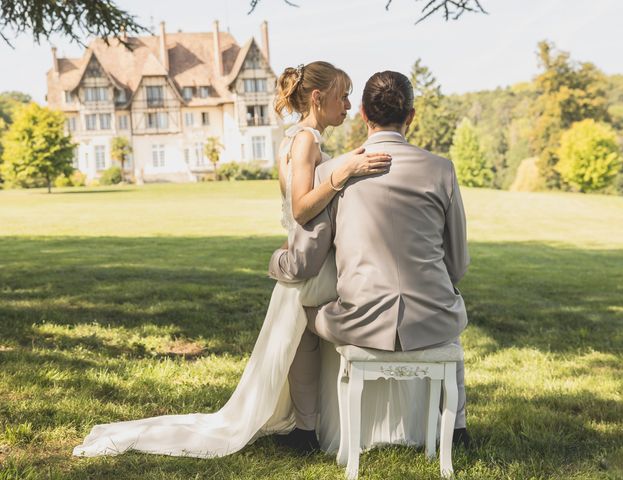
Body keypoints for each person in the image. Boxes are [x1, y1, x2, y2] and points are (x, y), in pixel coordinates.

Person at [72, 61, 391, 459]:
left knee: (299, 347)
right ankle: (330, 426)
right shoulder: (306, 141)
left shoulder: (295, 138)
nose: (347, 104)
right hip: (311, 268)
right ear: (317, 97)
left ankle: (311, 428)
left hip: (303, 263)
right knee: (306, 343)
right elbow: (301, 208)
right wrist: (341, 175)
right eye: (342, 95)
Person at [269, 70, 471, 453]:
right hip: (432, 319)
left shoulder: (334, 173)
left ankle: (306, 431)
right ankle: (457, 429)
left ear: (363, 113)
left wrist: (278, 261)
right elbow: (457, 263)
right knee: (451, 320)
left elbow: (308, 262)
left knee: (304, 320)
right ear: (410, 116)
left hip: (359, 321)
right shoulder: (441, 170)